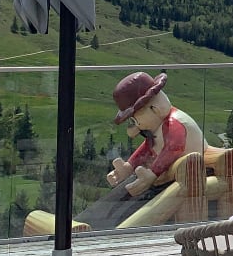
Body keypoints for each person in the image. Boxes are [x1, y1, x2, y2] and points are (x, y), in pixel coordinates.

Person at [77, 72, 205, 230]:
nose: (136, 125)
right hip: (163, 177)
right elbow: (148, 148)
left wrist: (152, 174)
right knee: (121, 195)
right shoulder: (158, 127)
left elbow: (173, 148)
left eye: (135, 119)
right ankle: (88, 225)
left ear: (154, 109)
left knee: (132, 204)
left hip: (186, 175)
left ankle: (102, 229)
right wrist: (129, 166)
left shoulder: (174, 123)